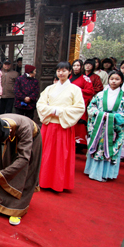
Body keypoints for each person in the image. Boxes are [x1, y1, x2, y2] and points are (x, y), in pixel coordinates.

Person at [0, 115, 42, 226]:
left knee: (24, 170)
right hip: (8, 134)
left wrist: (1, 175)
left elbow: (24, 158)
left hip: (31, 139)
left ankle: (17, 209)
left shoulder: (25, 128)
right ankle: (1, 204)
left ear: (10, 131)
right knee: (4, 165)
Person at [36, 61, 85, 192]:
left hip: (63, 126)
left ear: (70, 72)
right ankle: (43, 180)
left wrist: (60, 112)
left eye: (64, 70)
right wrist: (52, 110)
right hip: (49, 126)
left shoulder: (75, 90)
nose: (61, 73)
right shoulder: (49, 88)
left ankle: (58, 183)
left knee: (61, 155)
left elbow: (80, 108)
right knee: (46, 153)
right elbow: (40, 104)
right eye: (59, 70)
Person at [84, 71, 124, 182]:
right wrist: (100, 114)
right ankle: (92, 171)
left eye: (117, 79)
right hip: (99, 125)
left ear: (121, 81)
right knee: (97, 147)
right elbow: (91, 107)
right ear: (108, 80)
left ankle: (107, 173)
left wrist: (112, 117)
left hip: (113, 127)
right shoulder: (100, 94)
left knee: (109, 147)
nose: (114, 81)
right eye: (112, 79)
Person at [69, 59, 95, 150]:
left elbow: (90, 91)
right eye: (74, 65)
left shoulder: (85, 79)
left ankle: (78, 144)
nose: (76, 67)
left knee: (78, 125)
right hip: (68, 104)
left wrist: (77, 91)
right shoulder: (68, 77)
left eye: (78, 65)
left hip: (79, 103)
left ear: (81, 67)